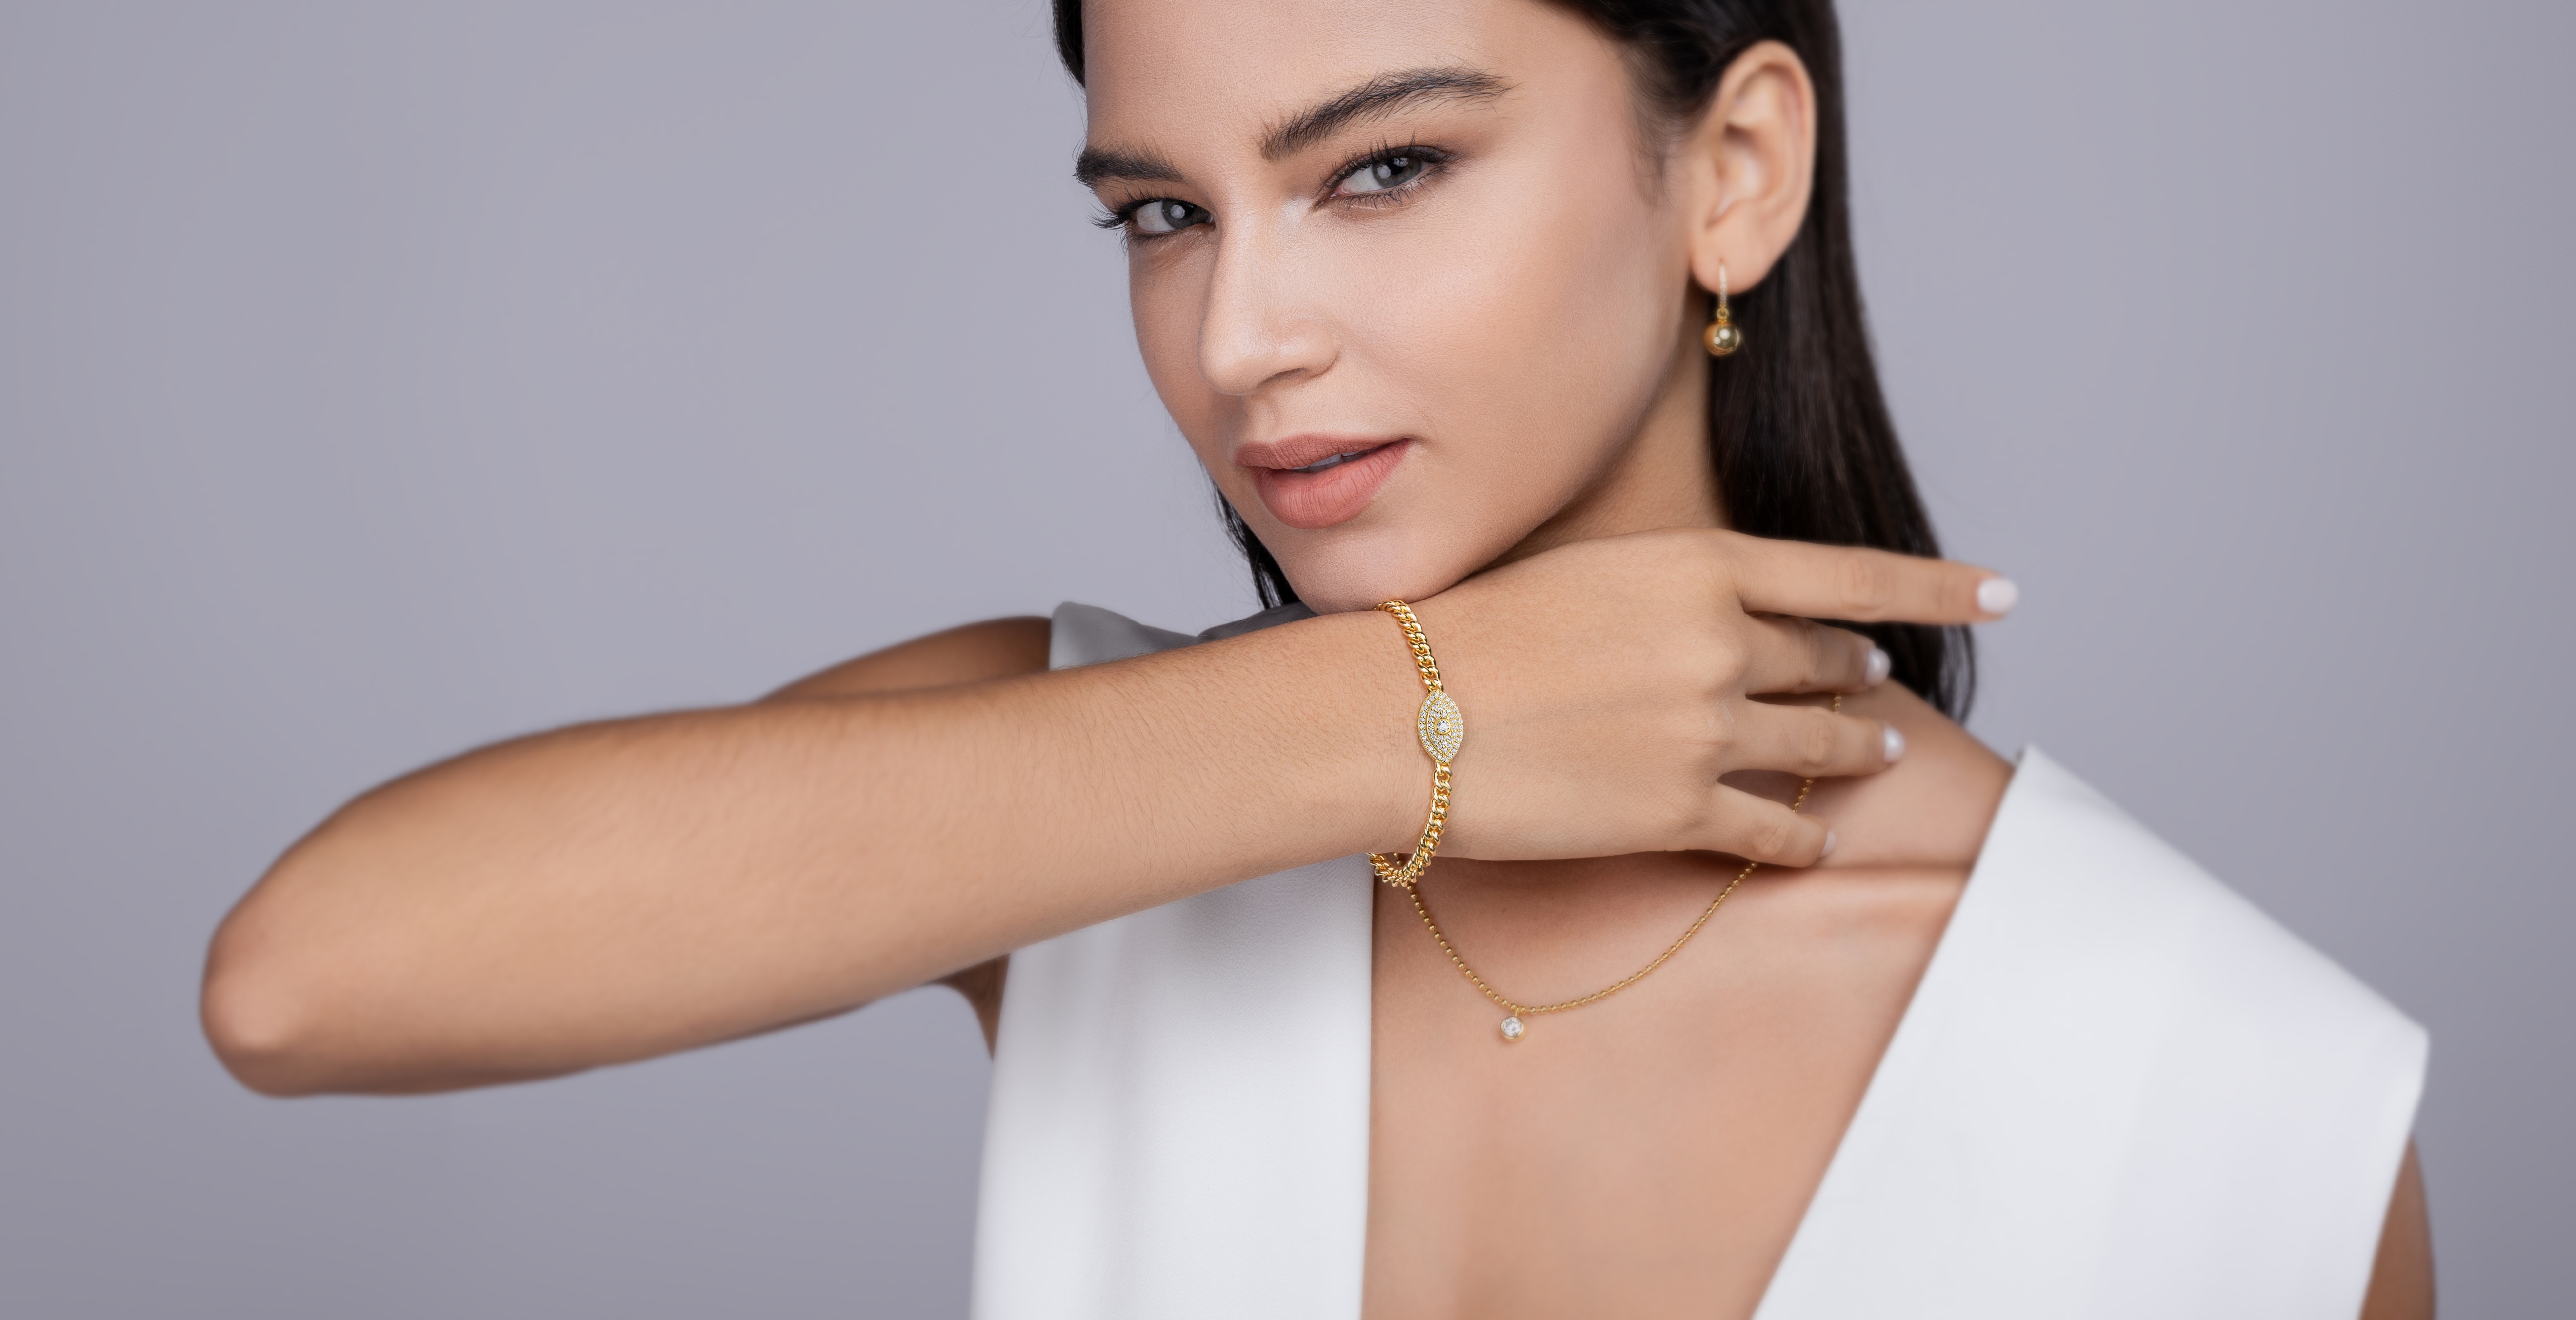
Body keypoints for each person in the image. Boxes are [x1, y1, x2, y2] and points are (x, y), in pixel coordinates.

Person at [199, 0, 2433, 1316]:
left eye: (1378, 169)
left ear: (1733, 169)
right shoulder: (1112, 804)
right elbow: (303, 978)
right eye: (1161, 215)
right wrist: (1403, 720)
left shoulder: (2234, 1093)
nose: (1236, 337)